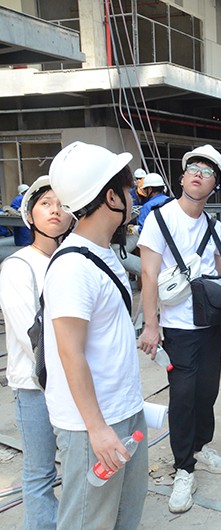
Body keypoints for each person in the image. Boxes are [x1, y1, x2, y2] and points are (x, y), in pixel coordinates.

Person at [45, 141, 148, 529]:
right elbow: (70, 352)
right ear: (111, 197)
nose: (133, 196)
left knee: (123, 518)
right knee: (87, 522)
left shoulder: (103, 252)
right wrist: (97, 429)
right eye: (128, 189)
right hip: (94, 425)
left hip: (124, 411)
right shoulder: (73, 266)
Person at [138, 144, 221, 514]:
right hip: (177, 327)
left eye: (208, 172)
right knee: (182, 395)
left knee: (207, 390)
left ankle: (200, 446)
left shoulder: (213, 226)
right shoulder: (160, 219)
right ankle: (184, 468)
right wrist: (151, 326)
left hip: (209, 322)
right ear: (182, 177)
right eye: (193, 168)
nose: (199, 174)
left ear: (215, 185)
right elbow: (148, 274)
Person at [0, 176, 72, 530]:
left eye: (62, 204)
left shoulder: (72, 261)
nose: (55, 210)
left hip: (73, 384)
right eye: (45, 203)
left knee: (76, 468)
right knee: (41, 471)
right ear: (29, 215)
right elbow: (28, 335)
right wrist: (65, 377)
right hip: (36, 387)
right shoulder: (19, 266)